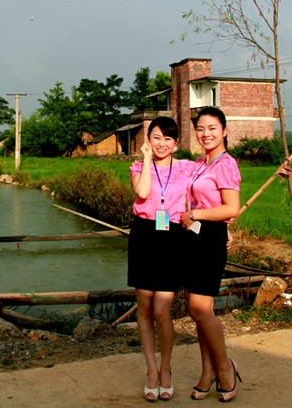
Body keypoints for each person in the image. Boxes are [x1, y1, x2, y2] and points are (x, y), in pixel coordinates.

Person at [180, 107, 243, 402]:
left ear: (225, 131)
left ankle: (225, 369)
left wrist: (199, 214)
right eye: (201, 129)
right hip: (194, 237)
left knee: (202, 309)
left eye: (212, 128)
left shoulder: (226, 164)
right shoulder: (199, 165)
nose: (206, 134)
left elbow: (231, 208)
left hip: (209, 239)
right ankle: (207, 372)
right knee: (195, 310)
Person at [128, 116, 193, 402]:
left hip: (172, 236)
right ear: (148, 139)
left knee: (162, 309)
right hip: (144, 234)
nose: (162, 143)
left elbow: (218, 174)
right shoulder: (138, 167)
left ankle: (166, 368)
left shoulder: (187, 169)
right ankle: (151, 370)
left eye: (168, 138)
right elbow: (142, 192)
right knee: (144, 306)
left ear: (176, 143)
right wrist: (145, 159)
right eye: (156, 137)